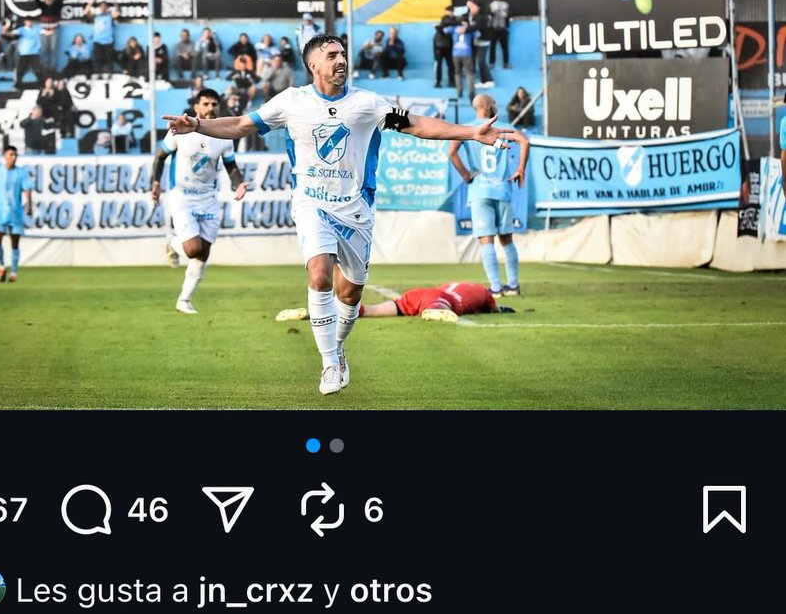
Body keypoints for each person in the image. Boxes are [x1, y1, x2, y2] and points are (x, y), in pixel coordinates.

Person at [161, 33, 515, 394]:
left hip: (356, 209)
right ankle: (329, 363)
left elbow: (416, 125)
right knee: (319, 275)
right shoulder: (292, 102)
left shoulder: (366, 104)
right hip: (311, 202)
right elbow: (241, 125)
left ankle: (339, 348)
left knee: (350, 294)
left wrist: (472, 132)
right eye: (331, 55)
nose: (340, 60)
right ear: (313, 65)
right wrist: (198, 125)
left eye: (342, 54)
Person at [150, 87, 248, 315]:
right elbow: (160, 156)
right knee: (193, 248)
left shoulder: (224, 135)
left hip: (208, 198)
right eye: (205, 104)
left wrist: (239, 183)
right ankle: (171, 243)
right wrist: (155, 182)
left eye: (214, 104)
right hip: (182, 196)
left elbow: (230, 165)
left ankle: (184, 300)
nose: (210, 108)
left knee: (203, 253)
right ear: (196, 107)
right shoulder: (180, 130)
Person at [450, 93, 529, 299]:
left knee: (487, 240)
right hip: (502, 189)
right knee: (507, 240)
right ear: (488, 106)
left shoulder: (468, 129)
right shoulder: (500, 128)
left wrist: (466, 175)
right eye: (494, 103)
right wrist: (521, 169)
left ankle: (496, 287)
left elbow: (452, 152)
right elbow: (524, 141)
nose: (495, 106)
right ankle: (513, 285)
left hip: (479, 191)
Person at [277, 279, 514, 323]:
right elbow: (495, 308)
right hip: (437, 298)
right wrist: (502, 309)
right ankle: (432, 312)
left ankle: (315, 312)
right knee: (439, 307)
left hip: (415, 295)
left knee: (364, 311)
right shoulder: (484, 295)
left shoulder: (456, 285)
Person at [0, 145, 34, 282]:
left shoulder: (22, 173)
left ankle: (14, 272)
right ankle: (1, 266)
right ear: (5, 156)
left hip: (15, 212)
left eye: (15, 155)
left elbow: (27, 189)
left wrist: (29, 205)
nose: (14, 157)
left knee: (14, 243)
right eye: (11, 154)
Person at [3, 16, 44, 88]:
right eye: (28, 21)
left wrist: (51, 31)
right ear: (25, 22)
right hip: (24, 53)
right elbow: (12, 34)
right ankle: (18, 84)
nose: (29, 22)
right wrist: (5, 31)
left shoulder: (36, 29)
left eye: (30, 21)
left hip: (34, 53)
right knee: (21, 69)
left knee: (37, 69)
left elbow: (45, 32)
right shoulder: (21, 30)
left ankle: (42, 84)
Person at [82, 0, 121, 73]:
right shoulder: (96, 16)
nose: (103, 8)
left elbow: (118, 12)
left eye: (105, 6)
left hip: (109, 41)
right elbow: (86, 12)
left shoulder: (110, 16)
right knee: (97, 60)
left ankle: (109, 74)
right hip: (97, 41)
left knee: (109, 60)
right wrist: (93, 0)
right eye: (101, 6)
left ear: (107, 8)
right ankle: (98, 74)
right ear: (99, 8)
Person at [38, 0, 65, 76]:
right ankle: (45, 69)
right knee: (44, 50)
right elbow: (36, 1)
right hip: (44, 31)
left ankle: (53, 69)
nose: (48, 0)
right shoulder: (42, 6)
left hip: (54, 30)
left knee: (53, 50)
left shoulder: (56, 6)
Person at [487, 0, 512, 70]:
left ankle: (506, 62)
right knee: (492, 46)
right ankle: (491, 62)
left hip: (503, 27)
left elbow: (508, 16)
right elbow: (488, 16)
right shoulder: (491, 4)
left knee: (505, 46)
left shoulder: (507, 4)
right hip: (493, 28)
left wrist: (507, 27)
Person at [433, 5, 457, 89]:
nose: (449, 13)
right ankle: (438, 81)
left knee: (451, 65)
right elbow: (446, 23)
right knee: (439, 65)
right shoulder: (444, 19)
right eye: (448, 11)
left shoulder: (453, 20)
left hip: (448, 46)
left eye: (450, 11)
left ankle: (451, 81)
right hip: (440, 46)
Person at [451, 21, 475, 101]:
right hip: (467, 53)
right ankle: (471, 92)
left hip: (456, 53)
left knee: (457, 73)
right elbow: (478, 34)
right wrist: (469, 27)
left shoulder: (454, 28)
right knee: (470, 73)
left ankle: (459, 92)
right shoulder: (469, 29)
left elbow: (445, 30)